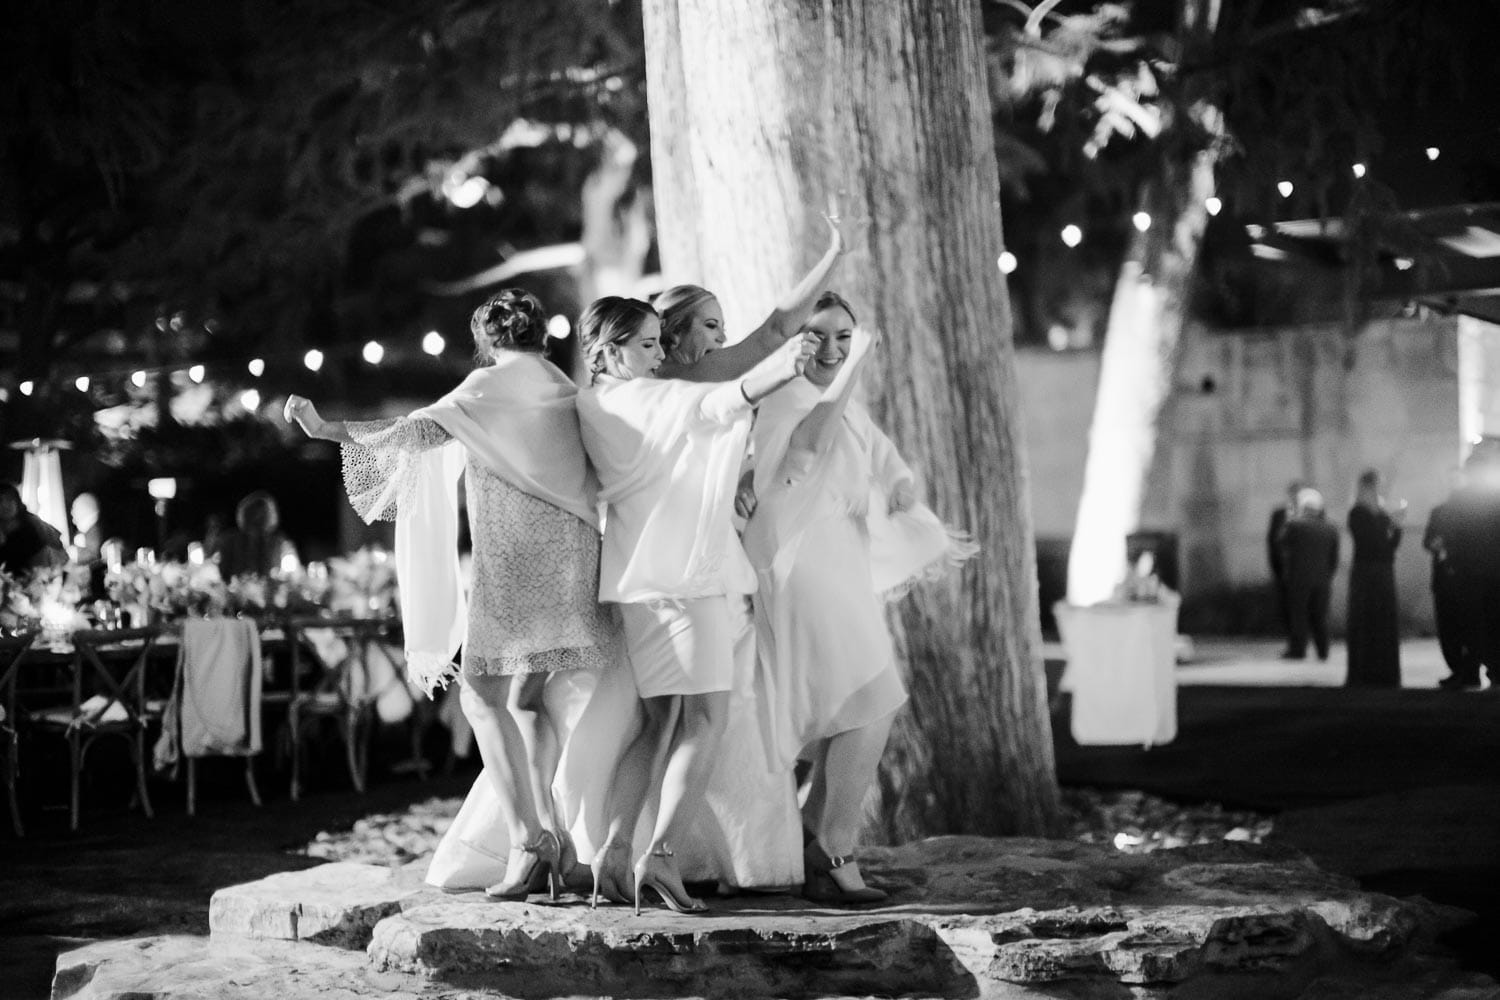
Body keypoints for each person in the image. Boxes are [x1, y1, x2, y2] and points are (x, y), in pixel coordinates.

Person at [284, 288, 615, 900]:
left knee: (479, 699)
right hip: (576, 557)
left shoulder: (483, 389)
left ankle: (528, 841)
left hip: (515, 560)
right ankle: (556, 835)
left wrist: (325, 428)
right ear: (541, 335)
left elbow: (410, 435)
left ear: (487, 340)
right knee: (528, 697)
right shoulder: (565, 389)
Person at [576, 296, 814, 913]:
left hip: (633, 580)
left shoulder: (590, 402)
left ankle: (613, 850)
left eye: (660, 343)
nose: (660, 357)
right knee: (708, 720)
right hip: (687, 581)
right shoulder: (650, 397)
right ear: (608, 350)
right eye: (648, 345)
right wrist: (787, 364)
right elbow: (723, 401)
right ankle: (661, 858)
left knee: (656, 724)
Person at [740, 292, 975, 905]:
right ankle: (832, 847)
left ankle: (815, 841)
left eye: (845, 337)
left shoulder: (847, 405)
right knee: (875, 699)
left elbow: (884, 456)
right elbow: (805, 453)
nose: (834, 350)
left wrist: (899, 489)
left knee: (859, 704)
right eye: (819, 337)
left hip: (840, 562)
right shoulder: (782, 397)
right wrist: (847, 375)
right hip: (801, 566)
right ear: (793, 342)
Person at [653, 210, 849, 382]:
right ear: (675, 332)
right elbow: (775, 331)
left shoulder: (650, 380)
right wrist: (835, 253)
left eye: (722, 328)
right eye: (711, 325)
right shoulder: (682, 377)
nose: (723, 337)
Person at [1439, 442, 1500, 690]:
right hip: (1487, 571)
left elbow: (1451, 534)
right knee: (1489, 624)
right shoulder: (1488, 498)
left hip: (1475, 572)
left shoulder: (1464, 499)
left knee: (1477, 625)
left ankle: (1483, 670)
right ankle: (1494, 671)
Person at [1345, 469, 1404, 687]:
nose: (1382, 489)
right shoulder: (1358, 513)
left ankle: (1385, 674)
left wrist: (1397, 526)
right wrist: (1390, 527)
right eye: (1378, 485)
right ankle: (1364, 674)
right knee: (1367, 623)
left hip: (1382, 571)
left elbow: (1391, 546)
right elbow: (1373, 543)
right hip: (1366, 572)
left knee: (1384, 623)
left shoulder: (1381, 514)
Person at [1424, 476, 1482, 690]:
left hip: (1464, 577)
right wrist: (1434, 544)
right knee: (1448, 629)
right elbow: (1427, 540)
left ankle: (1470, 670)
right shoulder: (1437, 512)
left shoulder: (1472, 515)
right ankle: (1457, 669)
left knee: (1468, 626)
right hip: (1443, 579)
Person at [1276, 488, 1340, 662]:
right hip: (1322, 580)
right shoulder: (1331, 528)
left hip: (1298, 579)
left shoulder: (1294, 526)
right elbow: (1334, 558)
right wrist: (1327, 575)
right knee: (1320, 616)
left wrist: (1290, 517)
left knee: (1299, 615)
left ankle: (1298, 649)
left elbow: (1281, 542)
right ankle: (1323, 650)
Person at [209, 491, 299, 578]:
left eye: (263, 513)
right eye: (254, 513)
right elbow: (219, 568)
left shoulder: (279, 543)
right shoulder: (229, 540)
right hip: (236, 588)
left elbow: (290, 574)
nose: (258, 517)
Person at [0, 482, 67, 578]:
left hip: (40, 580)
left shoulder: (32, 522)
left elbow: (56, 542)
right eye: (1, 500)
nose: (6, 505)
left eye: (10, 499)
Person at [1267, 480, 1303, 650]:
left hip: (1304, 571)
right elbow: (1272, 542)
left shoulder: (1310, 515)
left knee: (1303, 609)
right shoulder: (1279, 515)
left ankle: (1301, 644)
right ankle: (1293, 643)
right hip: (1284, 571)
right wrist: (1276, 568)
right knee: (1287, 609)